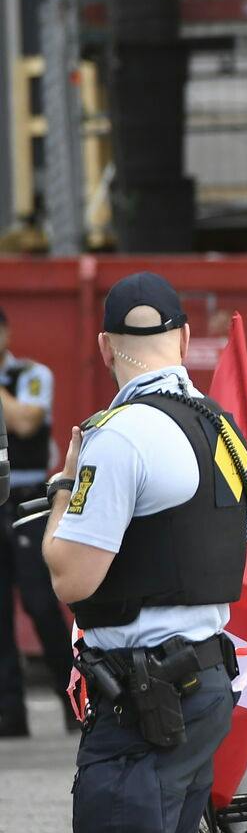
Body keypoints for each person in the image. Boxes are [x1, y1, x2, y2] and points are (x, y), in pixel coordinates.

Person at [42, 272, 247, 833]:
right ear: (185, 340)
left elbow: (70, 577)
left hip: (145, 701)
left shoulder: (119, 434)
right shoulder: (222, 429)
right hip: (204, 683)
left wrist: (64, 485)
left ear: (106, 347)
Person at [0, 305, 73, 737]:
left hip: (26, 501)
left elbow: (25, 423)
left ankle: (72, 697)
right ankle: (10, 713)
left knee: (40, 603)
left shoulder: (30, 375)